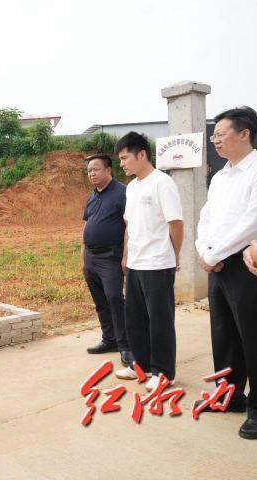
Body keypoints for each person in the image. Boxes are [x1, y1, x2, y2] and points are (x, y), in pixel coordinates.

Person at [196, 106, 257, 440]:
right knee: (224, 336)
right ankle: (228, 396)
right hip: (217, 264)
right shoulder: (220, 176)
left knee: (255, 338)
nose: (215, 140)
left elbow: (254, 223)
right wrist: (204, 251)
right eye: (213, 136)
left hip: (249, 264)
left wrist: (213, 254)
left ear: (244, 134)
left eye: (221, 134)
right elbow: (206, 217)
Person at [112, 132, 183, 392]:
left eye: (125, 158)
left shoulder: (162, 183)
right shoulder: (132, 187)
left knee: (160, 321)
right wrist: (126, 255)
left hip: (158, 264)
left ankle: (164, 373)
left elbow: (176, 224)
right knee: (135, 319)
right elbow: (129, 225)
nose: (122, 164)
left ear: (141, 154)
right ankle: (140, 365)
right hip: (136, 263)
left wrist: (174, 255)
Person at [81, 154, 132, 367]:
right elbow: (86, 225)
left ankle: (126, 345)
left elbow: (129, 225)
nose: (92, 174)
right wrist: (83, 256)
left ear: (108, 170)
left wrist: (126, 256)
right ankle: (109, 339)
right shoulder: (92, 196)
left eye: (96, 169)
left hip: (110, 256)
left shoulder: (122, 192)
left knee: (114, 298)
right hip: (91, 257)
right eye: (89, 170)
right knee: (100, 301)